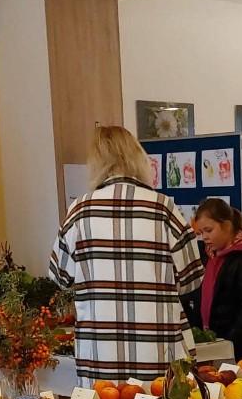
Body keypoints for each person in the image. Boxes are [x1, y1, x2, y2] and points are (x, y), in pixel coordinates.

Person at [48, 125, 203, 384]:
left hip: (98, 355)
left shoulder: (79, 210)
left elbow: (57, 278)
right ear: (137, 157)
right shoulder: (164, 208)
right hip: (156, 352)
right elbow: (192, 278)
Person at [189, 198, 242, 360]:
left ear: (227, 226)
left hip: (240, 350)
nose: (205, 237)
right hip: (213, 346)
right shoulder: (207, 258)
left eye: (209, 230)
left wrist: (227, 343)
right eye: (201, 233)